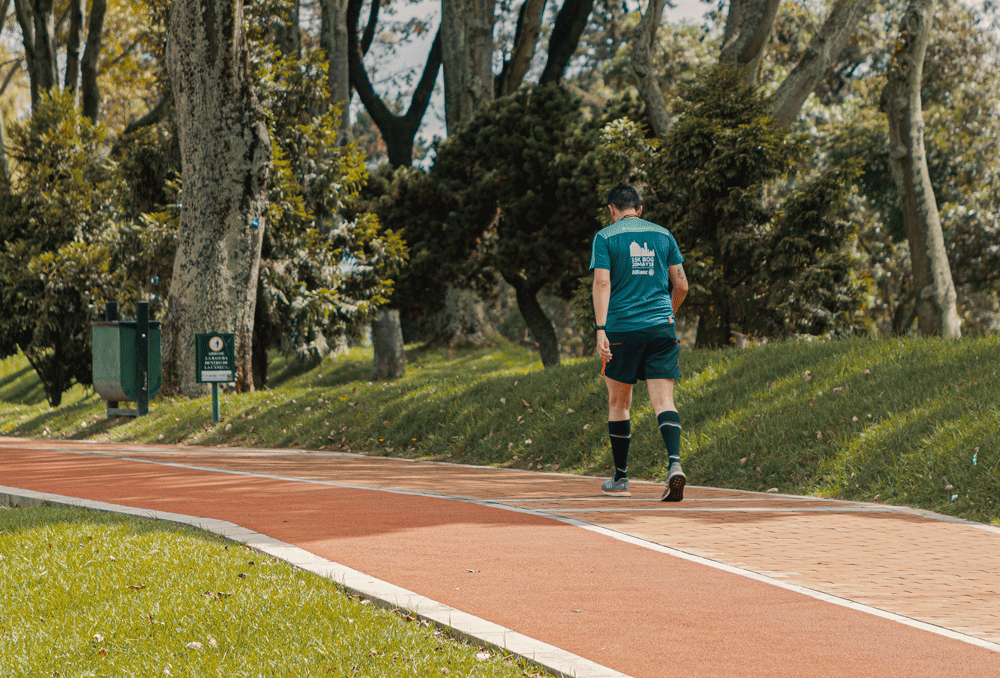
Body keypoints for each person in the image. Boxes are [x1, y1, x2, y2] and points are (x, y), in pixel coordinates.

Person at [590, 184, 689, 501]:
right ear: (639, 209)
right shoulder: (663, 235)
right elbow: (682, 285)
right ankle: (674, 464)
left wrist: (600, 329)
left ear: (611, 210)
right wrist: (666, 315)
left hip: (622, 330)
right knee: (664, 402)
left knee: (619, 403)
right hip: (662, 328)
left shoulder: (605, 237)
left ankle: (621, 479)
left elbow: (602, 281)